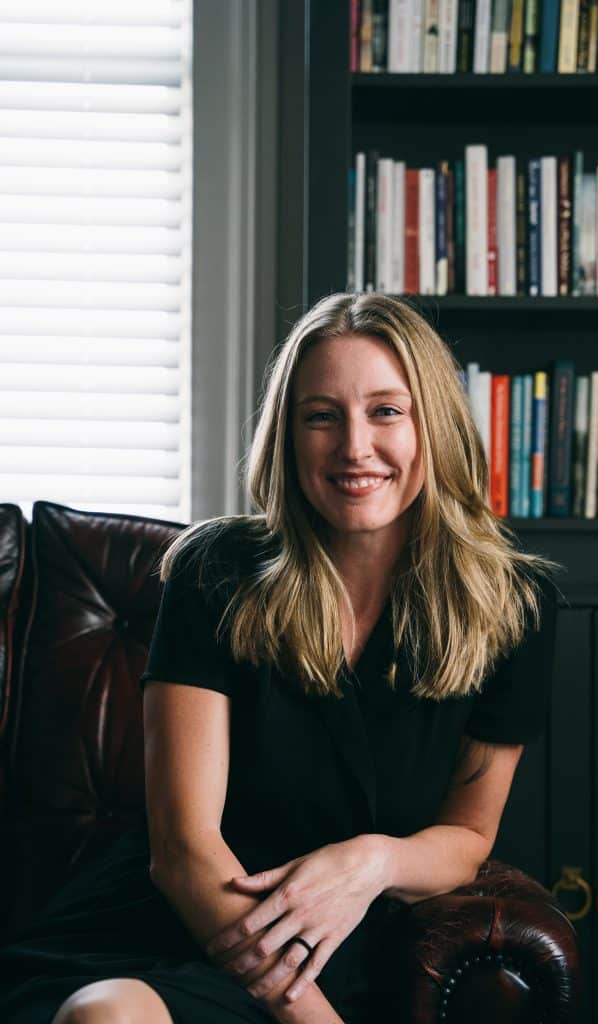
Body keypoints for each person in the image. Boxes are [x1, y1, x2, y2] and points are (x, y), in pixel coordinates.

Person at [0, 292, 562, 1024]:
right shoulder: (215, 569)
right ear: (288, 436)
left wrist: (371, 861)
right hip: (177, 918)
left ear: (435, 427)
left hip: (342, 933)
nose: (354, 446)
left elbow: (466, 837)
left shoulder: (515, 601)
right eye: (320, 415)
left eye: (386, 412)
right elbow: (182, 848)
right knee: (101, 1016)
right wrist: (305, 1016)